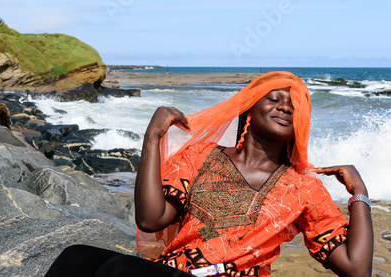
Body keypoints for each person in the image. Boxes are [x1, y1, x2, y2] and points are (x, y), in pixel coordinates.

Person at [45, 71, 373, 277]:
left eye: (295, 106)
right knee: (76, 258)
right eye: (274, 98)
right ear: (248, 107)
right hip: (173, 272)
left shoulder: (304, 188)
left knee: (119, 269)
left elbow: (356, 269)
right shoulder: (199, 157)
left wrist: (359, 194)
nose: (286, 107)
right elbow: (150, 219)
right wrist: (152, 138)